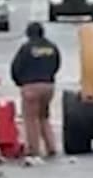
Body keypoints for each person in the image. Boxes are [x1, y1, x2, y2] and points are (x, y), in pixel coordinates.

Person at [10, 21, 61, 158]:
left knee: (30, 119)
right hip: (48, 86)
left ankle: (33, 150)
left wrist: (19, 82)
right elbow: (57, 64)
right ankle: (51, 147)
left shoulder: (26, 48)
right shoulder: (51, 47)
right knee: (44, 117)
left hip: (31, 86)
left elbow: (16, 67)